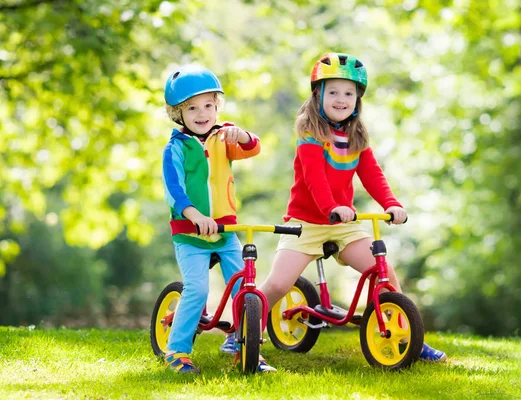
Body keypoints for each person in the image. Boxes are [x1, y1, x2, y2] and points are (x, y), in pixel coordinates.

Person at [258, 53, 446, 363]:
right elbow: (315, 178)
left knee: (384, 274)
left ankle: (408, 337)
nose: (341, 99)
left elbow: (373, 175)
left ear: (358, 99)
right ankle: (239, 331)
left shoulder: (356, 136)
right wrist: (333, 206)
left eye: (349, 93)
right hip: (306, 222)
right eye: (333, 92)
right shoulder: (310, 134)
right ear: (317, 95)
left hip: (343, 223)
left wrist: (392, 204)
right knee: (278, 283)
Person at [162, 64, 275, 373]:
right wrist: (195, 215)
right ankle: (177, 351)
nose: (203, 113)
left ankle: (246, 349)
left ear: (217, 107)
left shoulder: (223, 138)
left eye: (209, 106)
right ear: (178, 114)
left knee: (244, 285)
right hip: (190, 234)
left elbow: (252, 149)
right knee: (197, 289)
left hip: (226, 232)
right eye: (193, 108)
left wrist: (243, 135)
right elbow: (174, 191)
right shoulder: (176, 148)